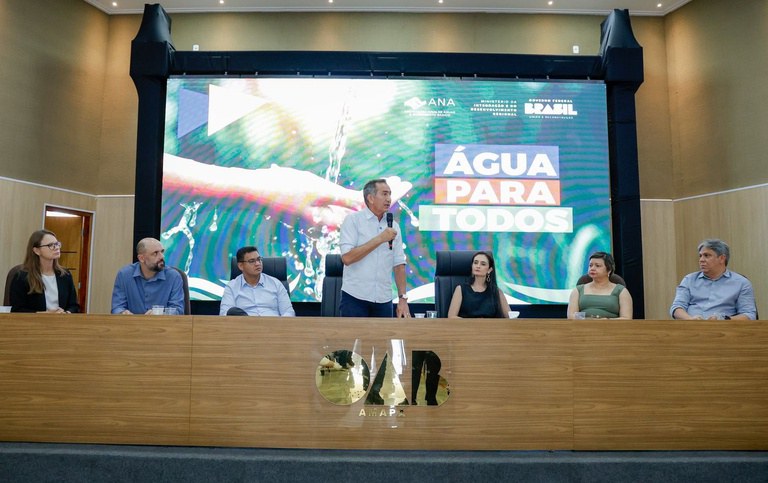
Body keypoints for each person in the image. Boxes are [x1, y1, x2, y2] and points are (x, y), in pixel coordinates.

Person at [339, 179, 411, 318]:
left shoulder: (394, 226)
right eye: (384, 194)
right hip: (355, 298)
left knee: (384, 335)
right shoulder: (353, 221)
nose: (389, 199)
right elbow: (347, 258)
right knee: (352, 334)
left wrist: (403, 298)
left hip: (384, 300)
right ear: (370, 198)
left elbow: (399, 265)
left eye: (389, 194)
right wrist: (380, 238)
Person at [670, 239, 756, 320]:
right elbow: (677, 307)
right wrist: (690, 319)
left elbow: (749, 315)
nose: (701, 260)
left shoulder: (741, 283)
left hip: (723, 328)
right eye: (700, 256)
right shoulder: (689, 280)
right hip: (691, 327)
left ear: (722, 258)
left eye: (707, 255)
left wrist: (724, 320)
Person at [9, 230, 79, 313]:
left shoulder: (65, 274)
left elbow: (74, 306)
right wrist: (44, 315)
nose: (57, 247)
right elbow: (17, 309)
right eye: (50, 245)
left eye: (57, 244)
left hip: (61, 320)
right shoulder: (21, 277)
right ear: (36, 251)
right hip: (35, 321)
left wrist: (66, 313)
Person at [111, 237, 185, 315]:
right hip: (132, 322)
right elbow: (117, 307)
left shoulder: (173, 276)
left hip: (163, 323)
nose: (161, 256)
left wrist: (160, 313)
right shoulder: (124, 275)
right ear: (141, 258)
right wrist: (122, 313)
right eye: (155, 253)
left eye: (162, 252)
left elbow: (178, 310)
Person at [219, 246, 295, 316]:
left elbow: (288, 312)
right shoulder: (232, 287)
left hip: (273, 325)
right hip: (245, 325)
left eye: (259, 259)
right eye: (252, 261)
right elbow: (225, 314)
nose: (258, 264)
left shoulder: (276, 284)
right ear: (241, 266)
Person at [567, 251, 633, 319]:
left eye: (597, 266)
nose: (592, 268)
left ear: (609, 270)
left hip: (610, 325)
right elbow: (571, 316)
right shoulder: (578, 290)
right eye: (590, 265)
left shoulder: (621, 291)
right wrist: (588, 319)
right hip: (583, 325)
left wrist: (607, 321)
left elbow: (626, 318)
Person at [447, 251, 508, 318]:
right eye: (475, 263)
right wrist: (472, 323)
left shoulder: (497, 292)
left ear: (489, 270)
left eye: (483, 264)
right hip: (466, 324)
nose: (478, 266)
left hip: (490, 325)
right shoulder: (460, 289)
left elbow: (510, 317)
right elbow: (451, 316)